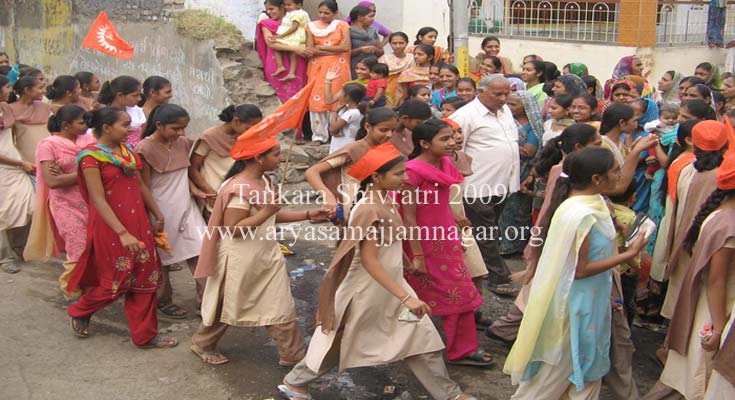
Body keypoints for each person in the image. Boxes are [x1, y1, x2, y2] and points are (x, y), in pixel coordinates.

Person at [278, 142, 478, 400]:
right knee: (338, 339)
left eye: (404, 172)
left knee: (421, 339)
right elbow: (370, 260)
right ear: (376, 177)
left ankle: (449, 394)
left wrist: (405, 260)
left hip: (389, 285)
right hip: (367, 289)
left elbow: (388, 242)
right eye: (398, 174)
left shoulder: (383, 200)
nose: (405, 179)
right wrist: (406, 297)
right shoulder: (369, 208)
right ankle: (295, 383)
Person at [504, 146, 647, 399]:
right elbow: (580, 270)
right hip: (574, 308)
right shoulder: (582, 213)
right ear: (596, 178)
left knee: (583, 375)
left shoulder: (587, 205)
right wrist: (628, 254)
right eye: (615, 171)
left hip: (590, 301)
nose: (620, 175)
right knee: (555, 378)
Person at [191, 135, 328, 366]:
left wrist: (307, 214)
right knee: (227, 304)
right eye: (275, 154)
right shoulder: (238, 188)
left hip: (266, 253)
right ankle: (203, 343)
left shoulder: (265, 181)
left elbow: (270, 217)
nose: (280, 158)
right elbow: (234, 229)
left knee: (279, 305)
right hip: (240, 258)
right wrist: (266, 212)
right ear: (258, 158)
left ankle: (292, 356)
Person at [66, 107, 176, 349]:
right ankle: (80, 310)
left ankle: (145, 335)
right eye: (125, 125)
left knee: (146, 278)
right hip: (111, 227)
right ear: (106, 128)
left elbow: (140, 187)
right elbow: (98, 199)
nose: (131, 129)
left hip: (139, 225)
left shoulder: (127, 153)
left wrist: (157, 214)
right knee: (115, 281)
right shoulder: (90, 157)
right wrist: (122, 232)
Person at [402, 119, 492, 367]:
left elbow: (444, 205)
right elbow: (408, 217)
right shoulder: (412, 171)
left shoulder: (444, 163)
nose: (452, 142)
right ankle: (458, 350)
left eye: (452, 136)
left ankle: (458, 348)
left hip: (446, 239)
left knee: (453, 294)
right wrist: (418, 255)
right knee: (452, 295)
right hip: (424, 243)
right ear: (424, 144)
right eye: (445, 139)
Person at [653, 145, 735, 400]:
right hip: (717, 311)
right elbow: (717, 279)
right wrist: (720, 330)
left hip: (711, 306)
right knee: (702, 381)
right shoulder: (729, 224)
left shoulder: (720, 214)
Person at [136, 104, 208, 319]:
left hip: (186, 206)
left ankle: (206, 302)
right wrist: (156, 215)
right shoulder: (144, 149)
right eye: (175, 128)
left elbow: (188, 170)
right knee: (163, 259)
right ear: (158, 125)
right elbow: (145, 187)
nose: (180, 133)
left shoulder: (183, 143)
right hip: (160, 208)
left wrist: (195, 189)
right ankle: (163, 299)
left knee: (202, 251)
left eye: (183, 128)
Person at [451, 74, 519, 296]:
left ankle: (478, 271)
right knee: (485, 233)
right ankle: (498, 277)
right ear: (480, 92)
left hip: (502, 185)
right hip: (476, 186)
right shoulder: (465, 115)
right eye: (497, 94)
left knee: (488, 232)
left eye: (506, 93)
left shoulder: (505, 111)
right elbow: (454, 150)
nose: (503, 98)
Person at [661, 120, 729, 321]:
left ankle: (669, 345)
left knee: (681, 296)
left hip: (683, 241)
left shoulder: (686, 168)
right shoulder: (724, 175)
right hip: (712, 247)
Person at [26, 104, 96, 296]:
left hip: (92, 201)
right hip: (65, 204)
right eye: (81, 122)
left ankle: (92, 288)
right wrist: (86, 173)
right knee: (78, 248)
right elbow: (52, 181)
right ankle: (73, 290)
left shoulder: (88, 140)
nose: (85, 126)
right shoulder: (48, 145)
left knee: (95, 246)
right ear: (65, 124)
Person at [305, 107, 397, 224]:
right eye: (384, 130)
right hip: (356, 208)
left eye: (393, 130)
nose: (389, 134)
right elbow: (312, 172)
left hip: (380, 204)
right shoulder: (354, 149)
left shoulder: (387, 149)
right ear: (368, 127)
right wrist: (328, 196)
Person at [190, 105, 263, 218]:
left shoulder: (245, 138)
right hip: (214, 192)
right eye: (248, 128)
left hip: (237, 191)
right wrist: (210, 192)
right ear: (236, 121)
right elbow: (193, 168)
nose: (252, 132)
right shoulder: (210, 137)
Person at [0, 75, 34, 274]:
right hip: (7, 165)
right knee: (3, 212)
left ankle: (20, 248)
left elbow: (10, 128)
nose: (9, 89)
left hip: (15, 164)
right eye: (6, 86)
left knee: (28, 205)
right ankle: (5, 257)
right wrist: (20, 162)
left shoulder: (6, 107)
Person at [305, 0, 351, 145]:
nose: (323, 15)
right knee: (316, 100)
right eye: (321, 12)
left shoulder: (342, 25)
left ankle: (335, 133)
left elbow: (345, 46)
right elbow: (310, 49)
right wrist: (331, 49)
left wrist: (321, 49)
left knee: (338, 98)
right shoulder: (311, 27)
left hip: (338, 67)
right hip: (317, 67)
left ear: (335, 13)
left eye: (327, 13)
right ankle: (318, 136)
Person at [257, 0, 309, 103]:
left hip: (297, 64)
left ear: (282, 7)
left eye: (272, 9)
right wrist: (296, 48)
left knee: (299, 99)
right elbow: (271, 43)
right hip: (276, 65)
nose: (269, 12)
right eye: (267, 10)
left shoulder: (295, 22)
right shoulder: (266, 24)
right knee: (281, 101)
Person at [7, 76, 51, 163]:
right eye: (40, 88)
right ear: (27, 90)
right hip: (25, 161)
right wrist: (22, 161)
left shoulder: (44, 107)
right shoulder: (10, 110)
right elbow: (10, 141)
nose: (44, 91)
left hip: (49, 157)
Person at [97, 75, 145, 148]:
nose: (139, 99)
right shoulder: (104, 115)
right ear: (120, 95)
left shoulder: (137, 111)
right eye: (135, 95)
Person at [270, 0, 309, 82]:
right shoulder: (291, 13)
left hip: (295, 36)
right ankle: (285, 69)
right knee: (288, 52)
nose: (286, 7)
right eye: (285, 5)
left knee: (284, 49)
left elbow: (294, 28)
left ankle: (287, 70)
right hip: (292, 36)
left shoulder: (298, 14)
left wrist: (281, 36)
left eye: (289, 5)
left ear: (298, 5)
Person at [327, 82, 365, 154]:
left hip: (344, 146)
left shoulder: (353, 112)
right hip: (338, 145)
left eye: (341, 92)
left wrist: (335, 112)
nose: (339, 95)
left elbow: (333, 128)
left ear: (347, 97)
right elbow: (333, 130)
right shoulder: (345, 108)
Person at [379, 32, 415, 106]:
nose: (398, 46)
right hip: (387, 90)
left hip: (407, 90)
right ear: (390, 44)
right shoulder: (383, 59)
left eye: (401, 43)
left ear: (407, 43)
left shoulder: (412, 58)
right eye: (394, 43)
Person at [348, 5, 383, 80]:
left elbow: (381, 52)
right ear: (360, 17)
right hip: (356, 66)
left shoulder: (373, 31)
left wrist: (375, 49)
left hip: (372, 66)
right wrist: (360, 50)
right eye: (370, 17)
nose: (372, 19)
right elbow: (344, 52)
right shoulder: (348, 31)